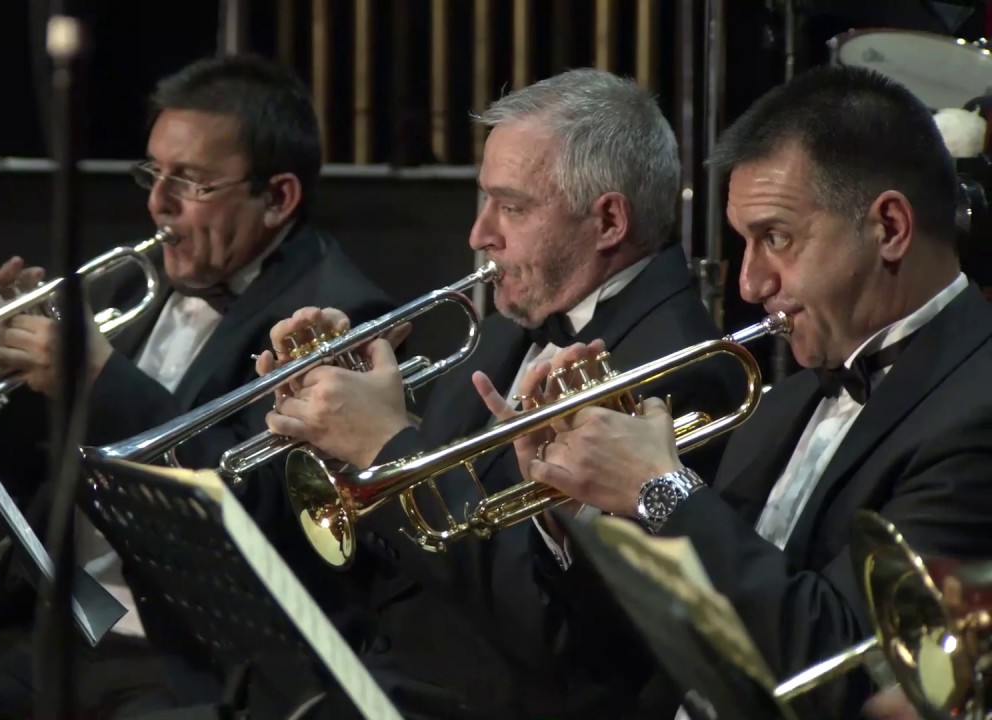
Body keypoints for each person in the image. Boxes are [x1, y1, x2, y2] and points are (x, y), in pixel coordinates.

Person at [0, 53, 400, 720]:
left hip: (190, 662)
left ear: (278, 197)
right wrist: (10, 368)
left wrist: (99, 378)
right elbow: (41, 475)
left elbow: (263, 509)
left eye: (189, 182)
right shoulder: (160, 279)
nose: (156, 203)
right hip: (61, 630)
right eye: (152, 173)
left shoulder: (339, 318)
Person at [257, 67, 745, 719]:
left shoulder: (678, 368)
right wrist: (342, 434)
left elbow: (561, 638)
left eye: (512, 207)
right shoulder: (499, 335)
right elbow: (419, 550)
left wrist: (388, 443)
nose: (479, 234)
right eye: (483, 201)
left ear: (607, 220)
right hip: (385, 676)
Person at [526, 64, 992, 720]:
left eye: (776, 238)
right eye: (744, 243)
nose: (749, 284)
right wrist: (575, 504)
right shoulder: (782, 402)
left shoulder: (977, 410)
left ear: (889, 227)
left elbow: (847, 666)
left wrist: (662, 489)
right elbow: (659, 644)